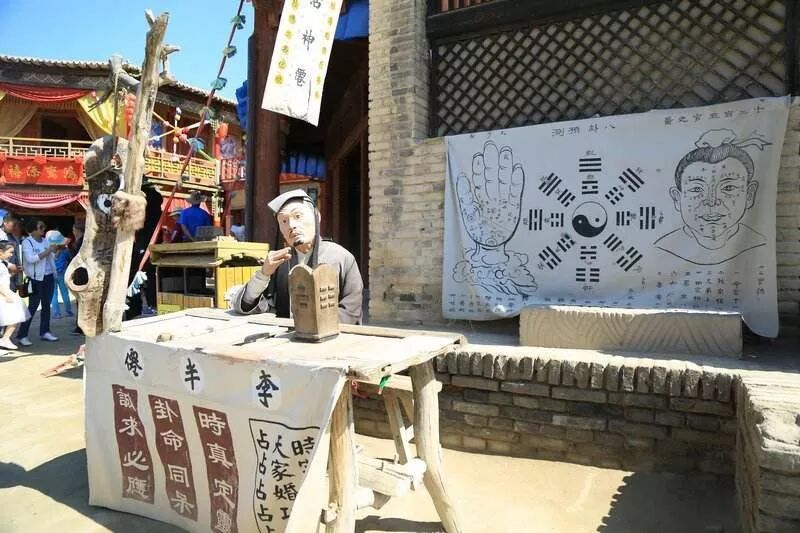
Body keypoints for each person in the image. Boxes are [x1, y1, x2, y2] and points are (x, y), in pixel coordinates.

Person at [230, 189, 363, 324]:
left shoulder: (341, 257)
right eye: (284, 221)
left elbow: (351, 312)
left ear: (317, 216)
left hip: (330, 335)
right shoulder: (280, 262)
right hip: (286, 335)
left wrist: (311, 326)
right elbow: (251, 305)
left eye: (298, 216)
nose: (291, 226)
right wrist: (263, 275)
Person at [654, 129, 767, 265]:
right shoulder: (662, 250)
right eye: (696, 189)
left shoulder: (759, 244)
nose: (712, 202)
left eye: (728, 188)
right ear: (677, 198)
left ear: (749, 195)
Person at [16, 219, 60, 346]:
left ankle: (45, 332)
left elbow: (52, 257)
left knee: (47, 306)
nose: (43, 229)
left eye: (44, 226)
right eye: (40, 227)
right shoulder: (27, 242)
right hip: (36, 279)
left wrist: (57, 250)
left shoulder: (46, 241)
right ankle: (22, 335)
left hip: (49, 276)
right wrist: (48, 251)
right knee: (33, 307)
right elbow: (31, 259)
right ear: (33, 229)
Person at [0, 240, 30, 350]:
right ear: (1, 252)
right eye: (10, 252)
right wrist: (6, 295)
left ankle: (5, 339)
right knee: (14, 315)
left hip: (6, 292)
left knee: (15, 316)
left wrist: (12, 273)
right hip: (4, 294)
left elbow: (4, 277)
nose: (11, 255)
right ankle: (5, 339)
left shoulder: (3, 263)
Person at [48, 230, 73, 319]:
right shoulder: (65, 251)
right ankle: (68, 311)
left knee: (53, 294)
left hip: (51, 274)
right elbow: (70, 259)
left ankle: (57, 313)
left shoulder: (49, 251)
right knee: (65, 293)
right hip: (62, 274)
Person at [69, 221, 85, 336]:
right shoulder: (80, 241)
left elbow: (76, 257)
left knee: (81, 301)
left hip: (82, 274)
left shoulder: (81, 242)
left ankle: (81, 326)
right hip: (81, 273)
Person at [0, 212, 22, 292]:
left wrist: (19, 282)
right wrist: (8, 265)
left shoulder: (14, 238)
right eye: (14, 224)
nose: (15, 227)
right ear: (5, 222)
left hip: (11, 280)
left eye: (17, 225)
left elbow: (17, 260)